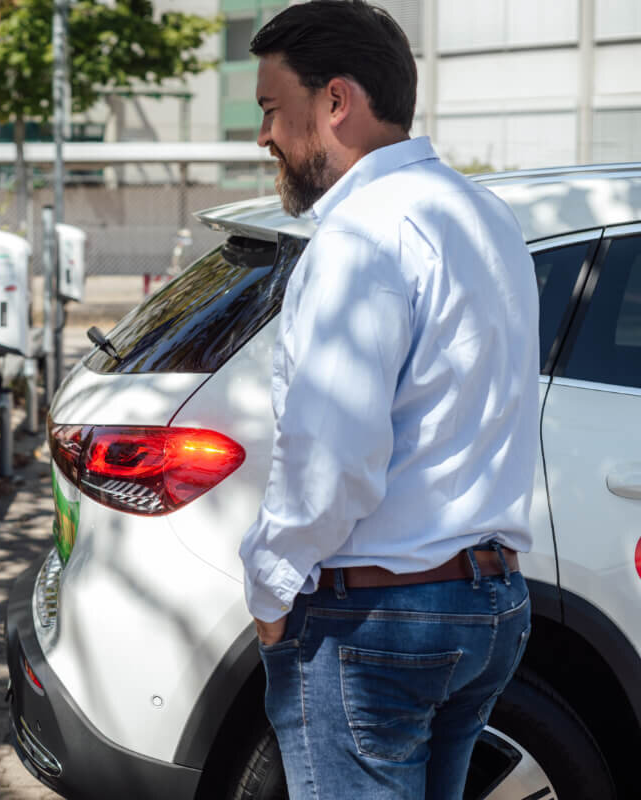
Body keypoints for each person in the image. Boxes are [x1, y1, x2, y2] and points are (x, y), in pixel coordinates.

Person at [237, 2, 538, 798]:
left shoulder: (358, 239)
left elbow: (333, 458)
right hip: (490, 605)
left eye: (271, 109)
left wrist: (270, 589)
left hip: (378, 623)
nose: (263, 136)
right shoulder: (488, 218)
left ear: (336, 101)